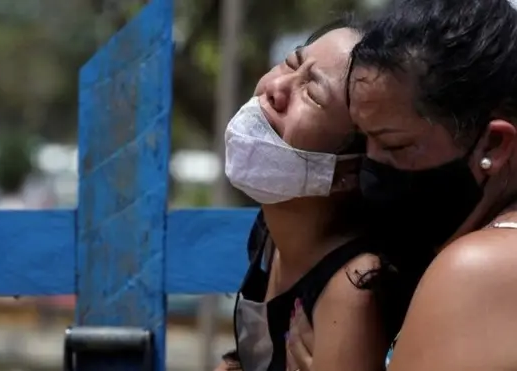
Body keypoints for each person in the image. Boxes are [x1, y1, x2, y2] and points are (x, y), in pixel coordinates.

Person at [287, 0, 517, 370]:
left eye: (396, 146)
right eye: (363, 142)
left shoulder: (474, 270)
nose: (372, 169)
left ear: (493, 145)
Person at [219, 17, 427, 371]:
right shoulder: (270, 234)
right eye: (291, 63)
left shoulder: (353, 286)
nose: (277, 87)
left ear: (349, 171)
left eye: (313, 94)